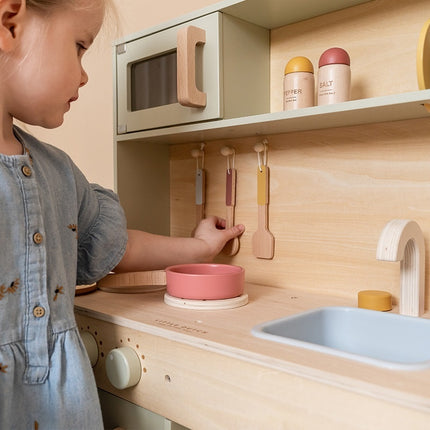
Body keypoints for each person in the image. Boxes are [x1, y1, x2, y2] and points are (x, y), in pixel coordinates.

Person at [0, 0, 245, 428]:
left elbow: (115, 243)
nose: (84, 73)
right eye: (79, 46)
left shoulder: (59, 172)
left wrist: (202, 248)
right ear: (9, 22)